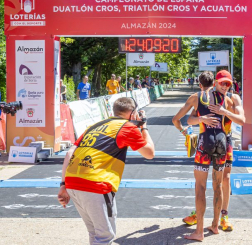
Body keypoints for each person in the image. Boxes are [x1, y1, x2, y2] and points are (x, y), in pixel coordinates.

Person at [57, 97, 155, 244]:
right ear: (133, 113)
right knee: (104, 236)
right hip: (95, 184)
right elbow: (149, 153)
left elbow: (70, 153)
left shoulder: (95, 125)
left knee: (95, 233)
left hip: (72, 182)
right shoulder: (127, 127)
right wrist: (143, 127)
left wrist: (63, 185)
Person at [171, 71, 241, 241]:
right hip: (223, 144)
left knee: (200, 187)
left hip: (204, 144)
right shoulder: (228, 98)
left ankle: (199, 232)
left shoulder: (196, 97)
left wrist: (186, 131)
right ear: (216, 83)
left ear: (200, 84)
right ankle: (216, 225)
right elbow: (240, 119)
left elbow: (177, 119)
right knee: (219, 185)